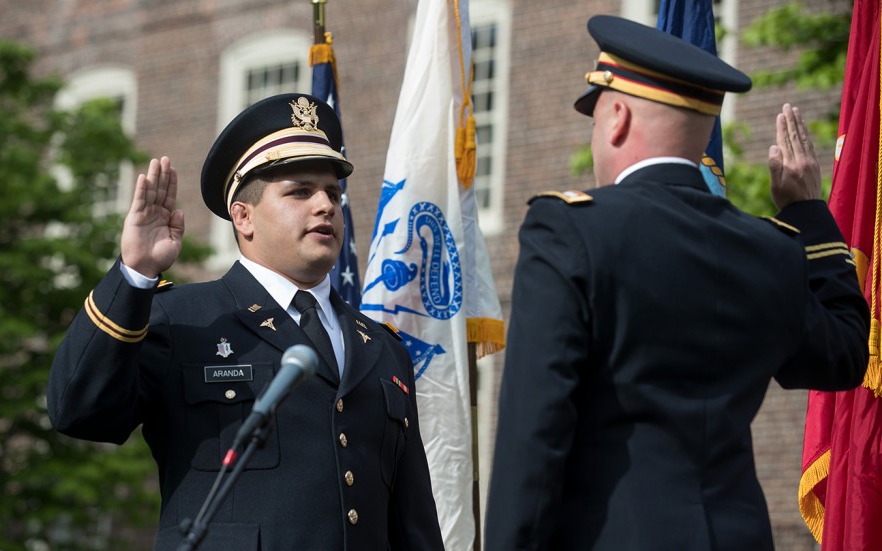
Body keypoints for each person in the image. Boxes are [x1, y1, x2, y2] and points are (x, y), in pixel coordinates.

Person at [484, 15, 869, 551]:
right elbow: (847, 354)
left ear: (616, 117)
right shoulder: (771, 249)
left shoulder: (569, 230)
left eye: (593, 121)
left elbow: (534, 439)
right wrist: (809, 212)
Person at [47, 93, 444, 551]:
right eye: (300, 191)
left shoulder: (381, 347)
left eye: (333, 193)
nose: (326, 206)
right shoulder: (184, 319)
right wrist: (134, 275)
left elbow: (414, 524)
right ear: (243, 216)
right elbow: (78, 410)